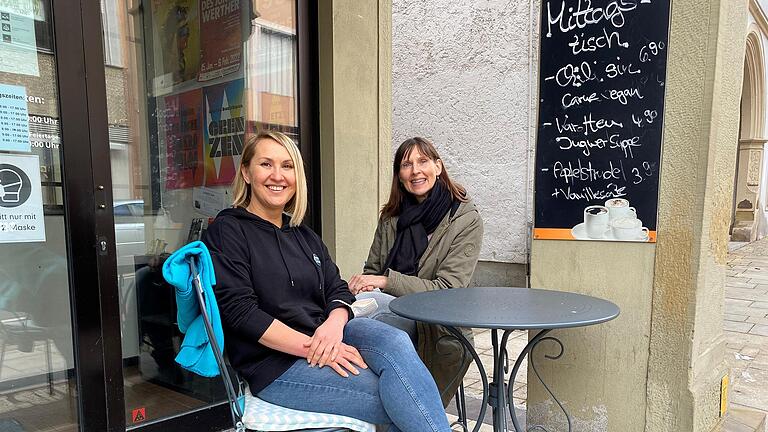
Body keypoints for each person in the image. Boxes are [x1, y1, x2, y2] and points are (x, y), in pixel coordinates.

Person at [202, 131, 451, 432]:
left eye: (288, 166)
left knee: (395, 341)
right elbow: (241, 313)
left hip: (331, 332)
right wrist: (315, 348)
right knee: (399, 395)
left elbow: (337, 288)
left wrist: (333, 326)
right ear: (246, 171)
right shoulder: (228, 230)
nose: (278, 176)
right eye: (266, 164)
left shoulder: (302, 234)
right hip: (276, 363)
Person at [348, 136, 483, 406]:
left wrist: (386, 281)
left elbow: (447, 289)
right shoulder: (391, 217)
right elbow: (372, 271)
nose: (415, 171)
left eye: (422, 161)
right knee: (355, 319)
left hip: (438, 325)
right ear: (399, 176)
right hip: (392, 313)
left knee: (362, 325)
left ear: (438, 166)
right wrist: (361, 286)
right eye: (406, 165)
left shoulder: (465, 220)